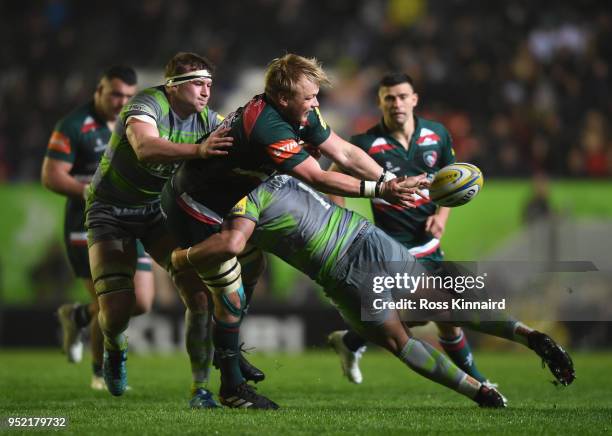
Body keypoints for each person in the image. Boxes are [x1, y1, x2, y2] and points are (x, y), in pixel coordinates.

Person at [161, 53, 425, 409]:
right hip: (196, 210)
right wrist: (378, 191)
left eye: (316, 95)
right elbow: (317, 177)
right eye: (309, 97)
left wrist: (389, 179)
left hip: (230, 202)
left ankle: (229, 350)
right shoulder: (268, 125)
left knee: (253, 268)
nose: (316, 103)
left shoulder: (297, 112)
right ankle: (232, 387)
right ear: (284, 98)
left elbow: (344, 152)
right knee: (230, 293)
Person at [171, 175, 575, 407]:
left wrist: (182, 258)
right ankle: (515, 350)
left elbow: (231, 245)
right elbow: (330, 170)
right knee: (434, 313)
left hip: (349, 261)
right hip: (358, 249)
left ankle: (490, 378)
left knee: (412, 329)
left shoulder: (259, 188)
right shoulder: (265, 185)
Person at [85, 52, 259, 408]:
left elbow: (243, 153)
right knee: (118, 310)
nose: (206, 91)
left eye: (210, 84)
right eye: (198, 83)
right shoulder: (147, 103)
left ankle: (200, 389)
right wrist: (199, 149)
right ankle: (116, 348)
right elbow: (145, 148)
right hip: (110, 211)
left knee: (198, 297)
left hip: (156, 213)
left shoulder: (210, 121)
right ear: (172, 86)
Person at [326, 72, 492, 386]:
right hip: (391, 246)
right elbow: (333, 177)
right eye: (389, 97)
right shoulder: (366, 143)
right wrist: (341, 220)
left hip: (428, 243)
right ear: (380, 102)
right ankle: (479, 381)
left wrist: (442, 216)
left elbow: (449, 180)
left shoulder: (437, 134)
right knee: (442, 312)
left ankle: (351, 341)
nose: (397, 103)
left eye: (403, 96)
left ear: (414, 99)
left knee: (438, 316)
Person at [41, 66, 155, 391]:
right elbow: (51, 175)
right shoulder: (74, 125)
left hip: (131, 222)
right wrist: (90, 191)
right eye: (115, 94)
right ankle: (99, 373)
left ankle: (77, 317)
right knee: (112, 302)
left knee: (142, 302)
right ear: (99, 90)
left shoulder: (136, 123)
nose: (121, 102)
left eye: (128, 96)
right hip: (87, 226)